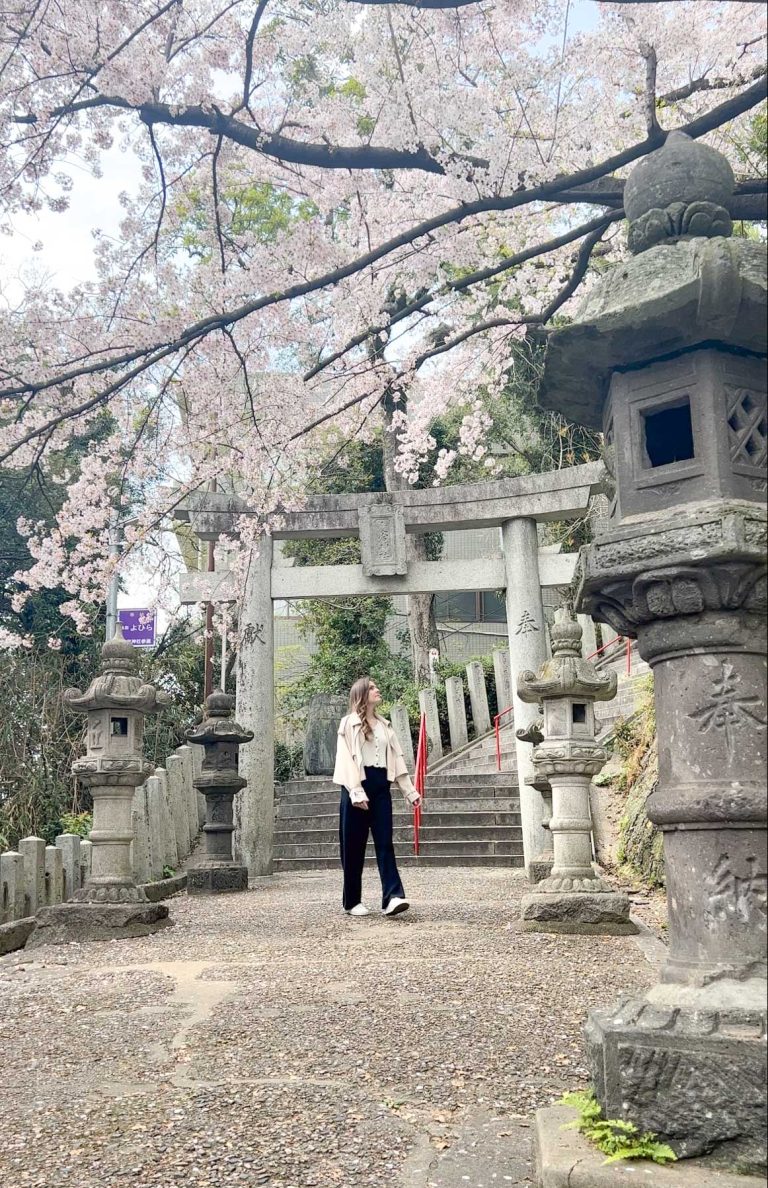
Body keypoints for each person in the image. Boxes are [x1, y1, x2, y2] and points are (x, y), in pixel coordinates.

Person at [333, 675, 422, 918]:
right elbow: (345, 759)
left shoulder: (385, 725)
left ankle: (393, 897)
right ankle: (352, 901)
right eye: (372, 688)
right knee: (353, 846)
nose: (377, 690)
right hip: (356, 786)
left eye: (376, 686)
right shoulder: (347, 724)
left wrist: (409, 790)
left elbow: (397, 759)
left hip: (381, 786)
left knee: (385, 843)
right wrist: (355, 790)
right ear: (361, 694)